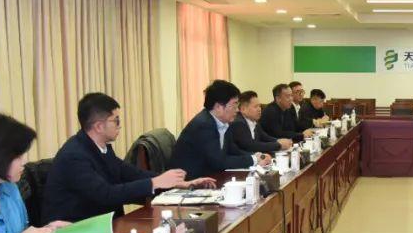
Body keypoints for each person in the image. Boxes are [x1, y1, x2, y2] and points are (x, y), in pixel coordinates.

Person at [42, 93, 214, 224]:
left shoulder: (101, 147)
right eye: (115, 121)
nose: (120, 125)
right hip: (76, 229)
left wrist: (176, 183)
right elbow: (105, 194)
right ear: (99, 126)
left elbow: (130, 173)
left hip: (103, 224)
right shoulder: (74, 156)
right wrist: (155, 183)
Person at [169, 80, 270, 180]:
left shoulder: (223, 122)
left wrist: (257, 156)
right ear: (218, 107)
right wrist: (253, 160)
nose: (237, 109)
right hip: (188, 181)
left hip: (209, 176)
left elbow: (233, 150)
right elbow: (219, 162)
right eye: (234, 104)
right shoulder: (204, 125)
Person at [231, 90, 292, 154]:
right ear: (243, 109)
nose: (259, 109)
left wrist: (279, 140)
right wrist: (278, 145)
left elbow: (264, 137)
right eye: (255, 107)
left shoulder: (254, 121)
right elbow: (251, 146)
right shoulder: (238, 123)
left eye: (259, 106)